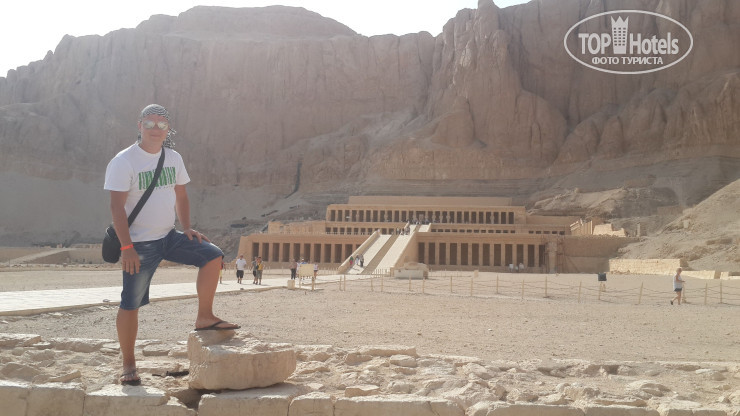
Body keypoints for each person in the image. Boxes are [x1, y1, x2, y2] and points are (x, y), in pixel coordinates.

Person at [104, 104, 239, 386]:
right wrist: (127, 247)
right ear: (139, 126)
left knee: (212, 256)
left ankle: (204, 317)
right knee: (131, 302)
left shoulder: (173, 158)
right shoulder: (123, 161)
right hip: (139, 244)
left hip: (168, 236)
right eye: (149, 123)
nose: (155, 129)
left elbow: (182, 196)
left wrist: (187, 228)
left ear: (168, 129)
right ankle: (128, 364)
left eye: (161, 124)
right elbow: (116, 207)